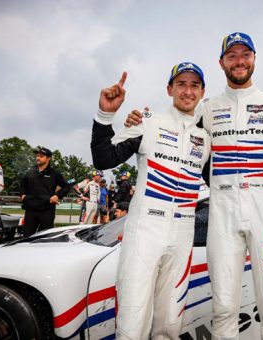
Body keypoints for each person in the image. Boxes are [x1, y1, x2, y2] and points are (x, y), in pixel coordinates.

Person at [126, 33, 263, 339]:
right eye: (232, 55)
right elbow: (174, 129)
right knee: (223, 308)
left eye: (245, 54)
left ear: (254, 58)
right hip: (222, 213)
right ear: (221, 62)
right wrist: (136, 121)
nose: (239, 61)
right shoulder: (206, 109)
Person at [91, 63, 211, 339]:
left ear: (202, 91)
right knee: (133, 325)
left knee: (170, 326)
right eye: (181, 84)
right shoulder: (146, 122)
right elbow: (104, 158)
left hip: (183, 234)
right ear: (169, 89)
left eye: (194, 85)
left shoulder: (206, 139)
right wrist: (105, 115)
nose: (188, 90)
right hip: (145, 231)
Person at [20, 146, 70, 237]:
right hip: (30, 210)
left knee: (44, 238)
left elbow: (66, 186)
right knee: (26, 238)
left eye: (41, 156)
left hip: (47, 211)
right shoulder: (30, 171)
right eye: (37, 155)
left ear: (48, 158)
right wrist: (23, 195)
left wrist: (57, 196)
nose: (38, 157)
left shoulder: (54, 173)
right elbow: (22, 185)